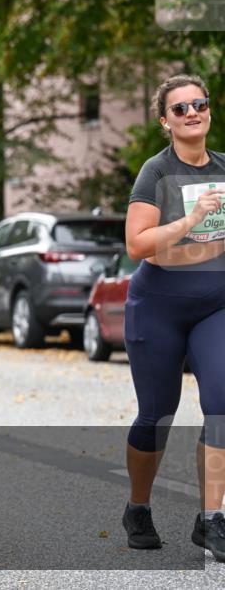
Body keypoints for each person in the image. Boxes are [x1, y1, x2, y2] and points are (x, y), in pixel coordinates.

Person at [120, 74, 225, 561]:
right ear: (165, 121)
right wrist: (190, 222)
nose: (191, 113)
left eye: (198, 104)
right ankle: (138, 506)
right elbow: (138, 245)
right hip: (158, 307)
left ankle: (211, 519)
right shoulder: (155, 173)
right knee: (157, 415)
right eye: (179, 109)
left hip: (215, 306)